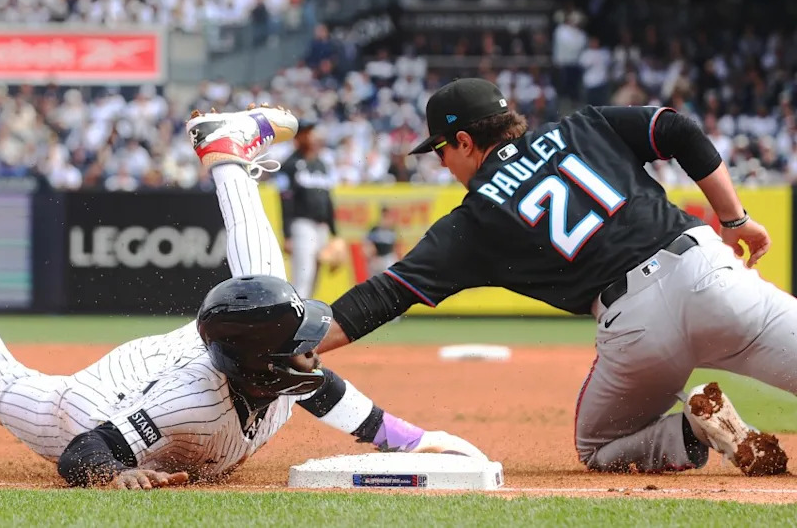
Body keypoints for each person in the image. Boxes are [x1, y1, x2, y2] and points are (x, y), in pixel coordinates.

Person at [0, 106, 488, 490]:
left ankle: (225, 151)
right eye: (296, 353)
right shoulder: (190, 407)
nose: (311, 355)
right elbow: (83, 455)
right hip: (94, 408)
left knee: (271, 284)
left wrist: (407, 440)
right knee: (2, 386)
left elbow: (328, 392)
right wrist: (116, 473)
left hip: (177, 358)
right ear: (258, 369)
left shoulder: (271, 367)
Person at [314, 78, 793, 477]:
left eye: (440, 150)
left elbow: (388, 292)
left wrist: (301, 346)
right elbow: (675, 127)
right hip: (709, 273)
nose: (441, 162)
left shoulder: (477, 216)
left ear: (464, 141)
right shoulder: (583, 126)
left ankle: (687, 431)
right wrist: (734, 220)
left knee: (599, 447)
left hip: (636, 326)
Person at [274, 116, 338, 298]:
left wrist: (335, 232)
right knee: (303, 275)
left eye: (313, 132)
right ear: (298, 137)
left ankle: (307, 317)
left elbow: (328, 199)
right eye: (307, 132)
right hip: (301, 224)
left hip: (322, 226)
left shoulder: (322, 164)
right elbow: (285, 200)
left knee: (315, 276)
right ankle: (297, 318)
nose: (312, 136)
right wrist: (287, 235)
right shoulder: (289, 166)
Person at [365, 205, 398, 277]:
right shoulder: (375, 229)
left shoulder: (392, 229)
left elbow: (395, 246)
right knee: (374, 280)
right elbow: (368, 244)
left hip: (388, 258)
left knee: (391, 278)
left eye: (387, 216)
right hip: (377, 258)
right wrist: (371, 255)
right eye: (384, 216)